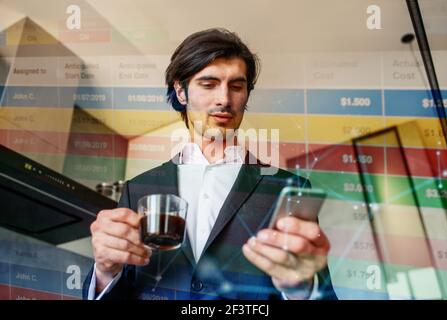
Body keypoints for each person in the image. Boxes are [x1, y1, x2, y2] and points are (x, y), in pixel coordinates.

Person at [83, 28, 337, 300]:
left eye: (236, 86)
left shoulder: (288, 188)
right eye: (208, 84)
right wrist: (105, 272)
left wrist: (300, 288)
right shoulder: (138, 188)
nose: (224, 100)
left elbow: (321, 293)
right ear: (181, 92)